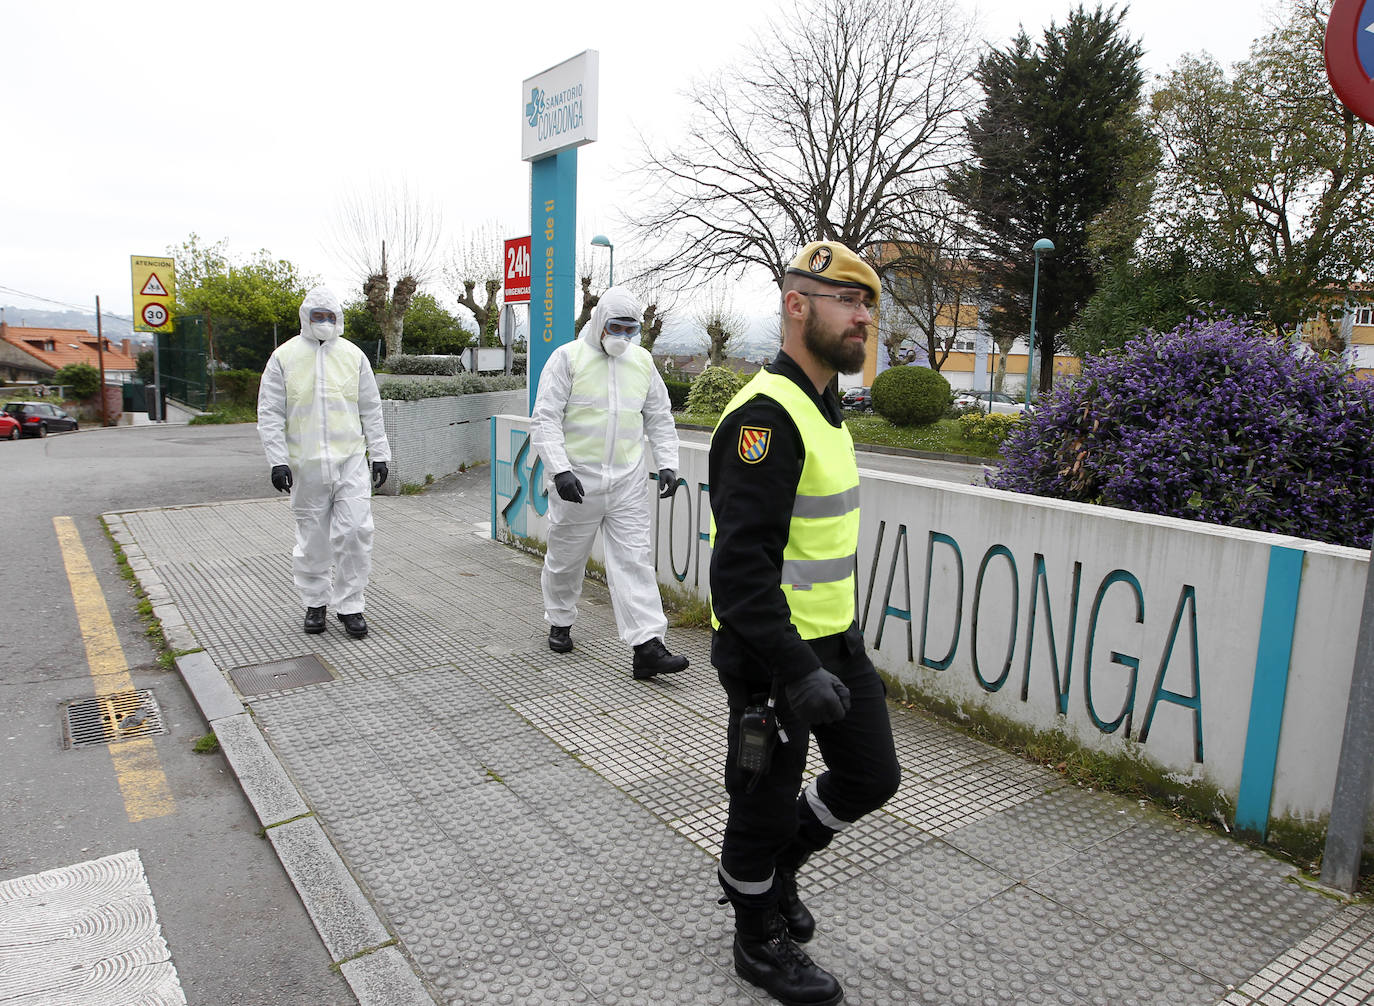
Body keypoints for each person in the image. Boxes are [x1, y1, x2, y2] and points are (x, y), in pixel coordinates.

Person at [708, 242, 901, 1006]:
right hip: (772, 657)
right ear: (797, 305)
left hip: (833, 644)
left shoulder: (826, 407)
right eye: (848, 301)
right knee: (759, 799)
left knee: (871, 775)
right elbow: (739, 572)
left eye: (869, 306)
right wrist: (794, 668)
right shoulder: (766, 417)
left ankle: (777, 871)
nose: (863, 318)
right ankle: (757, 940)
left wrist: (831, 649)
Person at [529, 285, 689, 680]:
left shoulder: (643, 363)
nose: (622, 337)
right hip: (577, 485)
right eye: (615, 328)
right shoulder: (568, 358)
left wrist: (668, 463)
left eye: (629, 330)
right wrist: (559, 469)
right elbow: (546, 417)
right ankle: (561, 620)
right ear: (600, 322)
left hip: (627, 484)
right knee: (566, 560)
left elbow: (659, 416)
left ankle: (647, 645)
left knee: (634, 560)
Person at [257, 286, 390, 639]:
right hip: (305, 464)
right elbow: (270, 412)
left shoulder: (353, 356)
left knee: (356, 532)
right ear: (305, 318)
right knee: (312, 537)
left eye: (330, 317)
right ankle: (315, 602)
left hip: (350, 461)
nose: (324, 322)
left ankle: (351, 606)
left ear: (339, 319)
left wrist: (379, 454)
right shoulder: (284, 357)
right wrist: (278, 460)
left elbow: (370, 408)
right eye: (318, 316)